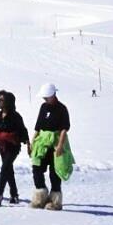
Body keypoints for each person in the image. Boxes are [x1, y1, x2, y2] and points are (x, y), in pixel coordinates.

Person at [29, 82, 74, 210]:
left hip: (56, 142)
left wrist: (60, 146)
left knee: (55, 172)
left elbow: (64, 129)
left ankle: (55, 201)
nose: (44, 99)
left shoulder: (62, 109)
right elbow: (38, 127)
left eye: (46, 96)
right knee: (37, 168)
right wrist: (33, 141)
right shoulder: (43, 107)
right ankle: (40, 197)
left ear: (53, 95)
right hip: (42, 143)